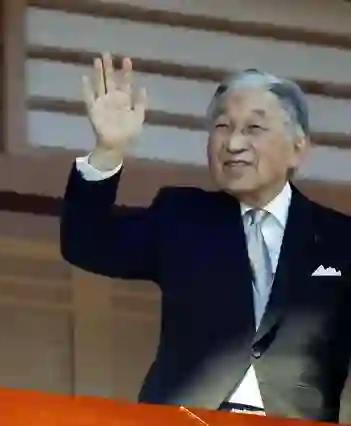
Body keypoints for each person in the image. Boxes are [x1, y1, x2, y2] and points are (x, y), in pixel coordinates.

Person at [60, 53, 350, 422]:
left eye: (254, 128)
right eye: (222, 126)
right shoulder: (181, 216)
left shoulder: (340, 239)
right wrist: (108, 150)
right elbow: (86, 242)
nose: (233, 142)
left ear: (298, 148)